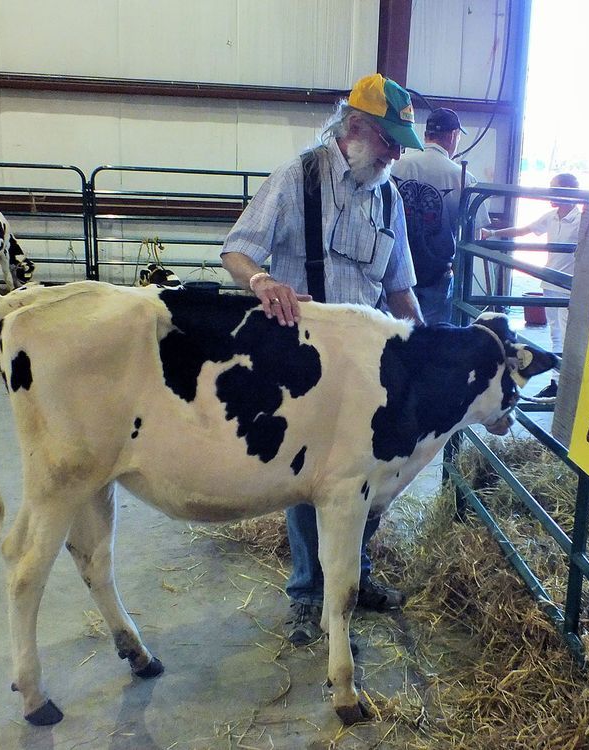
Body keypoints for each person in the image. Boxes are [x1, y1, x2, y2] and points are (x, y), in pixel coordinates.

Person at [220, 73, 425, 647]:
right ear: (355, 128)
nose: (394, 153)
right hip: (305, 362)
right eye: (388, 141)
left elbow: (400, 286)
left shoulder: (389, 195)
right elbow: (237, 249)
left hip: (368, 368)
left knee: (369, 477)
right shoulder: (298, 179)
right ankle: (309, 594)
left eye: (398, 144)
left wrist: (425, 347)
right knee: (313, 479)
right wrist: (261, 281)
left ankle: (355, 576)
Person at [481, 172, 580, 400]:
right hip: (550, 282)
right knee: (556, 334)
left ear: (569, 192)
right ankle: (557, 383)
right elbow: (524, 230)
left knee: (566, 334)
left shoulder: (581, 220)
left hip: (568, 286)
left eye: (555, 188)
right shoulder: (552, 216)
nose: (550, 193)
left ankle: (566, 384)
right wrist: (493, 233)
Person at [390, 108, 491, 324]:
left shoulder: (395, 166)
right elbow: (476, 233)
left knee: (397, 333)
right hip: (437, 274)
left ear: (426, 134)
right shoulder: (462, 177)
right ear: (453, 135)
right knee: (435, 337)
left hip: (395, 271)